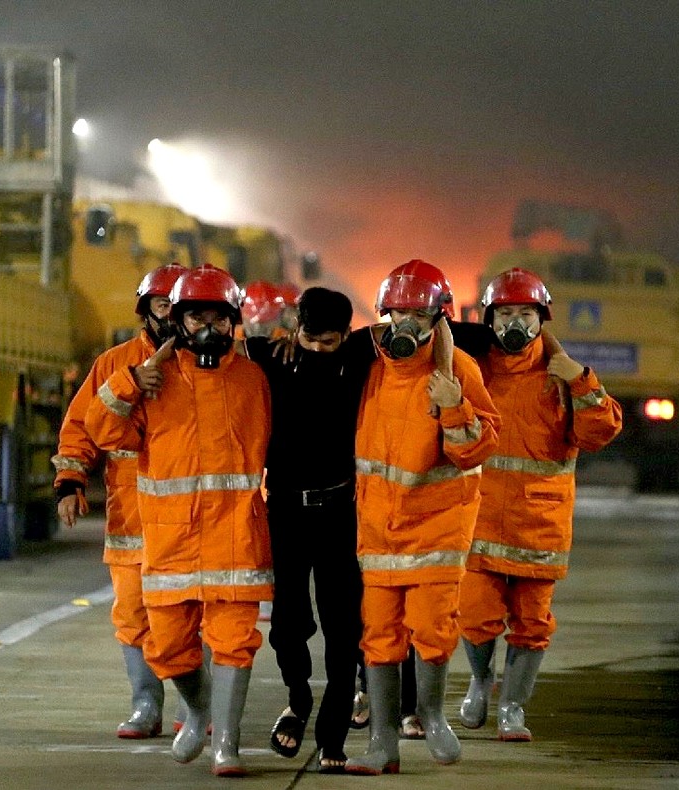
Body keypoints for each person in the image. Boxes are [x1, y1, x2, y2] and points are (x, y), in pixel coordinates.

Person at [84, 264, 273, 777]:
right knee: (167, 648)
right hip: (171, 544)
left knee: (234, 646)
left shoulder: (253, 380)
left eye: (218, 317)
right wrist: (128, 386)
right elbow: (105, 433)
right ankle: (198, 709)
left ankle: (226, 744)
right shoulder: (153, 380)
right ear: (177, 321)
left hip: (235, 539)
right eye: (196, 317)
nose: (207, 328)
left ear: (233, 320)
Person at [345, 260, 501, 775]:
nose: (405, 325)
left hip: (437, 531)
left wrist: (454, 406)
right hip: (377, 533)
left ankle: (432, 716)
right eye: (397, 314)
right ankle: (382, 744)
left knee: (433, 629)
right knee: (379, 638)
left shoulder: (460, 373)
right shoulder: (367, 369)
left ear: (439, 319)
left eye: (417, 315)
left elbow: (475, 450)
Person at [457, 267, 622, 741]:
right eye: (505, 313)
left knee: (532, 625)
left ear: (542, 318)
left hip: (539, 525)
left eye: (525, 314)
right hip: (480, 519)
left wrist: (581, 382)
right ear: (489, 318)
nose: (514, 323)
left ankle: (512, 707)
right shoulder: (473, 369)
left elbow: (600, 433)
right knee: (475, 616)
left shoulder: (562, 375)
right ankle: (481, 681)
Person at [52, 263, 187, 740]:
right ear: (146, 310)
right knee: (133, 615)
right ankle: (145, 704)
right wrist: (70, 480)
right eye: (163, 305)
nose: (171, 315)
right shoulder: (116, 363)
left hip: (189, 521)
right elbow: (81, 425)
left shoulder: (208, 367)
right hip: (131, 519)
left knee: (190, 619)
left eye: (180, 306)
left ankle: (195, 708)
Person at [245, 286, 374, 773]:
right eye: (309, 339)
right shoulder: (273, 356)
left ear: (346, 335)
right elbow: (206, 346)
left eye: (329, 342)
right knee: (287, 624)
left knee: (344, 628)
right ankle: (297, 700)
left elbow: (437, 327)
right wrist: (275, 336)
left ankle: (332, 736)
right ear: (295, 328)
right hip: (285, 511)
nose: (318, 349)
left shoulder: (360, 355)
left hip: (341, 512)